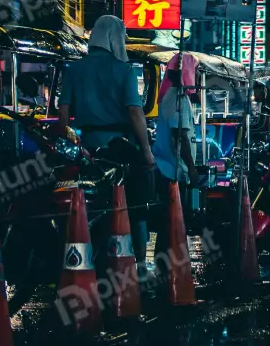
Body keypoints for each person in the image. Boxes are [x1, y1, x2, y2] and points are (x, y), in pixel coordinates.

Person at [58, 14, 155, 263]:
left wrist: (70, 144)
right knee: (137, 206)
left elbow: (63, 112)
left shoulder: (75, 69)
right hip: (120, 149)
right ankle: (139, 264)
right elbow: (135, 112)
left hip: (86, 150)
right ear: (115, 38)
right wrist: (146, 151)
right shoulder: (124, 70)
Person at [152, 53, 199, 245]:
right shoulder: (176, 97)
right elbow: (179, 136)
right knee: (172, 223)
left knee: (173, 223)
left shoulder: (177, 96)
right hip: (171, 170)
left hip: (174, 169)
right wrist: (192, 167)